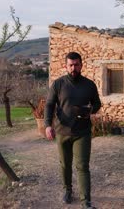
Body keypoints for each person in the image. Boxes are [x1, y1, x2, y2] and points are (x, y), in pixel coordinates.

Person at [44, 51, 101, 209]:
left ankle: (85, 202)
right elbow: (49, 105)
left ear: (81, 65)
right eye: (70, 65)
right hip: (62, 131)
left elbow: (97, 104)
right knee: (65, 164)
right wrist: (48, 125)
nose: (73, 68)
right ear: (66, 66)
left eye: (76, 65)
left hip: (82, 132)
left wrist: (90, 109)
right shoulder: (58, 84)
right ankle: (67, 190)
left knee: (82, 166)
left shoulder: (89, 85)